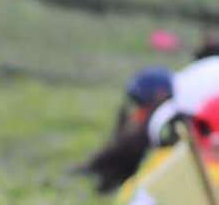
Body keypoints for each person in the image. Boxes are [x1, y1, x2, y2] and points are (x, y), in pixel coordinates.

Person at [73, 66, 173, 194]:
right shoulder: (136, 122)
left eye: (141, 105)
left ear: (161, 95)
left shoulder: (161, 127)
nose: (137, 114)